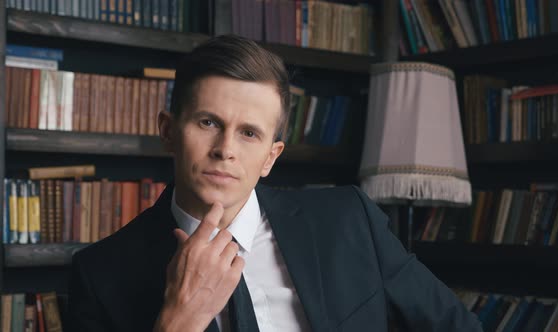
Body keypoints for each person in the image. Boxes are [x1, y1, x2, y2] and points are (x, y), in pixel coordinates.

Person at [67, 34, 482, 332]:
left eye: (249, 133)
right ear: (168, 131)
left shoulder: (349, 221)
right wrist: (179, 320)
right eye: (208, 122)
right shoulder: (99, 275)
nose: (225, 149)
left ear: (271, 156)